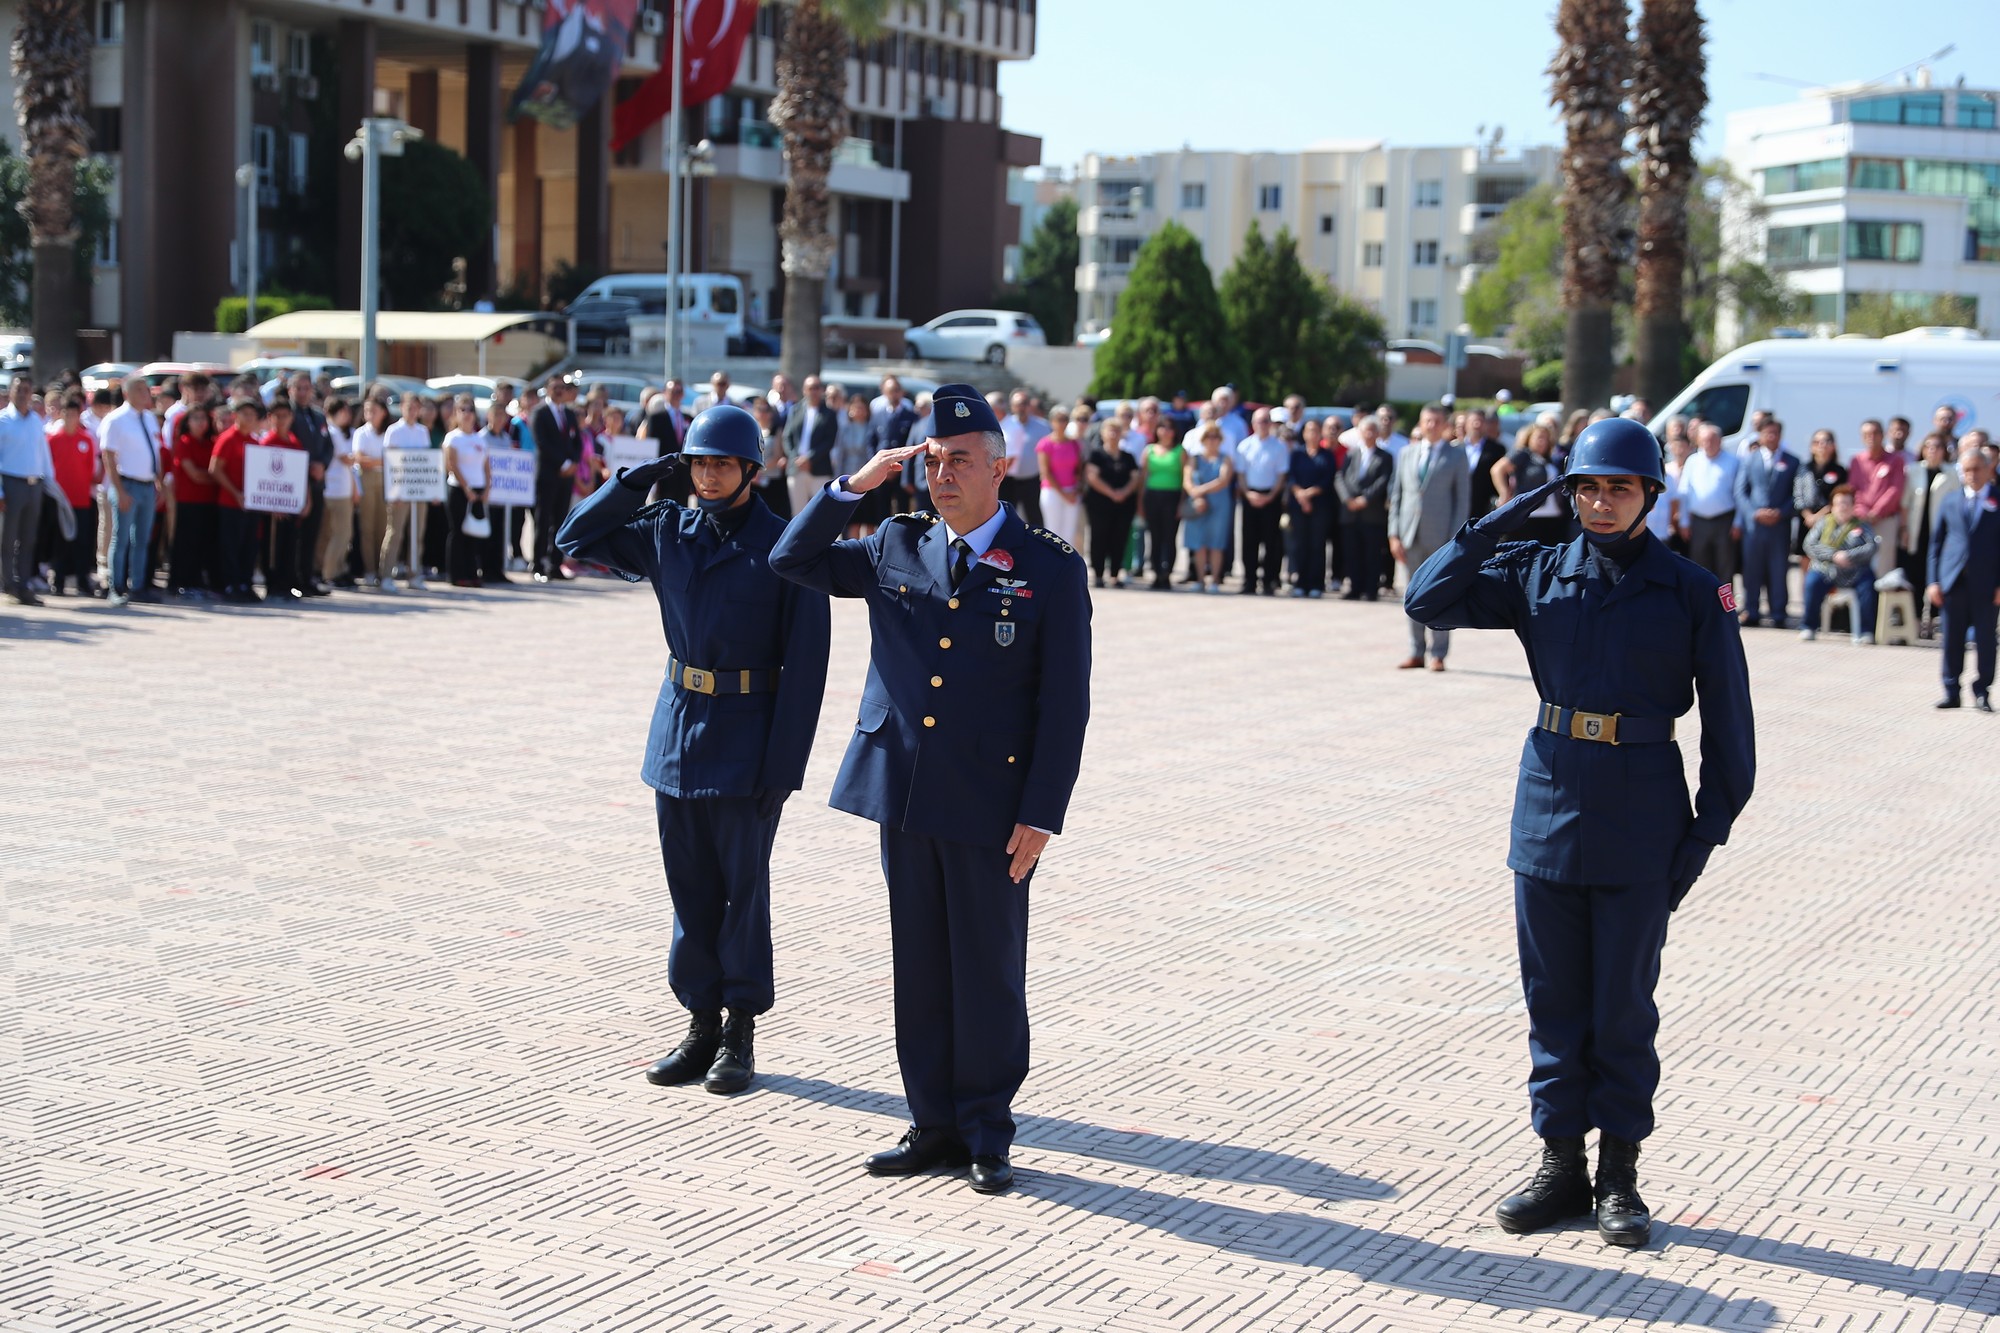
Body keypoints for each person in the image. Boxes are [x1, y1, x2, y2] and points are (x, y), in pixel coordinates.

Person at [1405, 417, 1755, 1250]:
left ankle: (1620, 1176)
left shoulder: (1693, 593)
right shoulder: (1536, 569)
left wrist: (1706, 834)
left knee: (1622, 1006)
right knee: (1553, 1000)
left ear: (1650, 497)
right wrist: (1507, 515)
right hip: (1549, 809)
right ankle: (1560, 1165)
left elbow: (1731, 729)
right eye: (1587, 488)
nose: (1601, 503)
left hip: (1643, 818)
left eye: (1618, 489)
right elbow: (1427, 596)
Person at [769, 383, 1090, 1196]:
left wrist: (1042, 812)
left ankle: (986, 1128)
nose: (944, 475)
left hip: (992, 803)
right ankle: (933, 1122)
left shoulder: (1048, 569)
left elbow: (1065, 704)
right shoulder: (894, 545)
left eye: (961, 461)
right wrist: (854, 486)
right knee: (919, 964)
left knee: (986, 967)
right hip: (904, 792)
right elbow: (791, 559)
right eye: (935, 461)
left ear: (1001, 466)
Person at [557, 405, 830, 1093]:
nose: (707, 475)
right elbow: (572, 537)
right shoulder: (666, 530)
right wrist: (638, 477)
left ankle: (739, 1030)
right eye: (698, 463)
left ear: (750, 469)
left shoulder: (784, 545)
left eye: (720, 463)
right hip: (678, 731)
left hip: (748, 736)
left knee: (743, 890)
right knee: (690, 888)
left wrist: (784, 766)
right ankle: (699, 1023)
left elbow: (809, 666)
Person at [1389, 403, 1469, 670]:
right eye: (1426, 421)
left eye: (1436, 421)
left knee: (1441, 595)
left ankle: (1438, 653)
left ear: (1445, 424)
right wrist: (1394, 535)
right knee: (1411, 595)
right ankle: (1416, 650)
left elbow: (1462, 500)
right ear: (1420, 424)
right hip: (1410, 534)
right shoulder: (1406, 453)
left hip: (1441, 537)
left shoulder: (1457, 456)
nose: (1431, 426)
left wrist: (1456, 539)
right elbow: (1397, 496)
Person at [1926, 445, 2000, 711]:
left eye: (1977, 469)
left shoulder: (1997, 499)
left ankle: (1982, 691)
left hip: (1987, 584)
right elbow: (1935, 546)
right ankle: (1951, 690)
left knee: (1985, 640)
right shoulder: (1950, 501)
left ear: (1988, 469)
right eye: (1967, 470)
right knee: (1952, 639)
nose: (1972, 475)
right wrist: (1933, 581)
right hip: (1953, 582)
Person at [100, 377, 164, 607]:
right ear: (127, 394)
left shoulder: (149, 418)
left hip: (147, 485)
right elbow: (108, 456)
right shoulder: (116, 420)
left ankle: (138, 586)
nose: (145, 393)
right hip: (127, 485)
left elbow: (156, 451)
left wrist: (159, 481)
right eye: (139, 389)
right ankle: (115, 587)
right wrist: (119, 490)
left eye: (146, 389)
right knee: (121, 538)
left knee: (142, 540)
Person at [1733, 418, 1800, 628]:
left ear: (1780, 436)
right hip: (1755, 527)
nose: (1771, 437)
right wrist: (1754, 513)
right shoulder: (1749, 460)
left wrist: (1781, 512)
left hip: (1779, 526)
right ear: (1760, 436)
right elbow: (1740, 491)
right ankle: (1751, 610)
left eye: (1775, 433)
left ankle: (1778, 612)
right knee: (1752, 570)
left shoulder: (1792, 461)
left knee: (1778, 569)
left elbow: (1796, 495)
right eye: (1767, 433)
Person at [1799, 486, 1880, 644]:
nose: (1842, 507)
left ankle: (1866, 631)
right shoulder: (1823, 523)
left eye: (1846, 503)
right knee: (1812, 582)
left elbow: (1872, 546)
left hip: (1855, 571)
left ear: (1852, 506)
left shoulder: (1862, 526)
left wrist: (1849, 555)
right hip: (1826, 570)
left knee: (1868, 585)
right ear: (1833, 506)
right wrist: (1833, 555)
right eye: (1839, 504)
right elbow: (1809, 544)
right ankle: (1808, 626)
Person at [0, 372, 53, 604]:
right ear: (11, 392)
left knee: (29, 538)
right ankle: (8, 583)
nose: (23, 395)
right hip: (11, 483)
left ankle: (24, 584)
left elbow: (43, 453)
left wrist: (49, 482)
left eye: (27, 391)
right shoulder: (3, 421)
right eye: (19, 390)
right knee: (8, 538)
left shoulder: (35, 421)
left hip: (34, 484)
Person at [44, 389, 100, 597]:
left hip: (82, 499)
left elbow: (92, 470)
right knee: (60, 542)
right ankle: (58, 582)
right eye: (67, 413)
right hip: (60, 500)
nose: (71, 418)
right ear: (62, 414)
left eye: (75, 414)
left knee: (83, 542)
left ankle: (82, 581)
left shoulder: (87, 439)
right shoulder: (52, 439)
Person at [207, 398, 263, 603]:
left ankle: (245, 584)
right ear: (235, 416)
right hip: (231, 502)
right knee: (230, 546)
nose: (248, 418)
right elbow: (215, 469)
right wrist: (235, 492)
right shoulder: (228, 439)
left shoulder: (256, 442)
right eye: (244, 413)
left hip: (252, 503)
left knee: (249, 545)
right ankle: (230, 585)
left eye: (252, 414)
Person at [166, 400, 221, 598]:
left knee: (204, 544)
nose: (200, 423)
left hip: (208, 501)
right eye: (196, 418)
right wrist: (214, 477)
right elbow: (194, 474)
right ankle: (180, 583)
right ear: (187, 422)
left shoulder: (211, 443)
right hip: (188, 501)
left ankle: (199, 582)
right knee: (185, 543)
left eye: (203, 418)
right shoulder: (184, 442)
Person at [531, 373, 583, 582]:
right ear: (548, 389)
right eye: (555, 387)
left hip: (566, 476)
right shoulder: (540, 413)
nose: (559, 391)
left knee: (561, 521)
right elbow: (542, 443)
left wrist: (573, 462)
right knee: (543, 520)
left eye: (562, 387)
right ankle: (538, 564)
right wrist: (562, 463)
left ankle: (555, 564)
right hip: (548, 474)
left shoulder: (569, 414)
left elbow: (577, 442)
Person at [1335, 414, 1393, 600]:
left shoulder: (1385, 457)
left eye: (1372, 430)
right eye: (1365, 430)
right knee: (1352, 552)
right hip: (1350, 513)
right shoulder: (1351, 454)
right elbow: (1340, 478)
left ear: (1377, 433)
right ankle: (1354, 587)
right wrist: (1348, 499)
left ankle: (1370, 589)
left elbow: (1383, 481)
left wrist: (1365, 499)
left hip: (1372, 513)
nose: (1368, 434)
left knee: (1372, 553)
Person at [1232, 408, 1289, 595]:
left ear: (1271, 423)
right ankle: (1249, 580)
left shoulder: (1279, 447)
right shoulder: (1244, 446)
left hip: (1270, 497)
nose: (1262, 425)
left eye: (1265, 421)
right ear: (1253, 424)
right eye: (1259, 421)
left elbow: (1281, 475)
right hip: (1250, 496)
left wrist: (1271, 495)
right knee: (1249, 541)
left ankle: (1269, 581)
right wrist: (1248, 494)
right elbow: (1240, 474)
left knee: (1271, 542)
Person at [1676, 423, 1740, 582]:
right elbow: (1685, 492)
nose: (1708, 444)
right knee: (1699, 565)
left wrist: (1738, 523)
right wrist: (1684, 521)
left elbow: (1739, 494)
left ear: (1720, 441)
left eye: (1712, 440)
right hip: (1698, 522)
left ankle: (1725, 606)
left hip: (1724, 520)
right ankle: (1701, 604)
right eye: (1704, 440)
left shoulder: (1732, 461)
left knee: (1725, 566)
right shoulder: (1693, 461)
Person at [1081, 417, 1139, 589]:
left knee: (1119, 538)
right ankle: (1098, 575)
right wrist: (1112, 493)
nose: (1113, 434)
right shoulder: (1096, 454)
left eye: (1117, 430)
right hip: (1100, 504)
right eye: (1110, 430)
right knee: (1099, 537)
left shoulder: (1128, 456)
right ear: (1103, 433)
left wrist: (1124, 492)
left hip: (1124, 505)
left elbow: (1135, 477)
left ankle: (1115, 574)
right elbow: (1092, 476)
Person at [443, 395, 493, 587]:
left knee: (474, 534)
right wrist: (466, 488)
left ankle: (473, 573)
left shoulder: (479, 438)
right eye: (462, 410)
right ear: (456, 413)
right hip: (459, 489)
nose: (467, 414)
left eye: (470, 410)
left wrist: (487, 487)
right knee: (458, 533)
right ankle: (457, 574)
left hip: (479, 489)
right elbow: (452, 464)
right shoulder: (453, 437)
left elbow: (486, 466)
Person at [1493, 420, 1569, 545]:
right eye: (1539, 437)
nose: (1542, 441)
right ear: (1529, 438)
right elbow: (1497, 470)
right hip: (1529, 514)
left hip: (1553, 514)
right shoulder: (1523, 455)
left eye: (1545, 438)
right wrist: (1504, 493)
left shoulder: (1549, 459)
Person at [1287, 418, 1339, 598]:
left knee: (1317, 545)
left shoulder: (1327, 455)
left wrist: (1310, 494)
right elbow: (1291, 477)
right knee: (1300, 544)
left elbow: (1328, 479)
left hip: (1320, 505)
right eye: (1309, 431)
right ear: (1304, 434)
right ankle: (1300, 583)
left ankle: (1317, 584)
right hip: (1298, 505)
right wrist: (1301, 494)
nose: (1313, 434)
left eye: (1316, 431)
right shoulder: (1297, 454)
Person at [1846, 419, 1906, 577]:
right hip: (1861, 520)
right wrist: (1862, 511)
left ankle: (1881, 601)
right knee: (1859, 562)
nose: (1871, 437)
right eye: (1866, 434)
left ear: (1883, 435)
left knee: (1884, 564)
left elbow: (1895, 490)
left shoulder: (1895, 460)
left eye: (1874, 433)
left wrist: (1876, 512)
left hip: (1886, 520)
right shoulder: (1856, 461)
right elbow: (1853, 490)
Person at [1181, 424, 1234, 593]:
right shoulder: (1194, 458)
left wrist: (1200, 491)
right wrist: (1196, 494)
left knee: (1216, 543)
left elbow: (1223, 480)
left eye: (1215, 437)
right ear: (1203, 440)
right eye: (1208, 437)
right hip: (1199, 505)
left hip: (1219, 504)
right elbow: (1187, 480)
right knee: (1198, 543)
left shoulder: (1225, 458)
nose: (1212, 441)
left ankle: (1215, 580)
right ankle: (1200, 579)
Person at [1903, 432, 1954, 599]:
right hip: (1916, 531)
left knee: (1937, 575)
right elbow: (1905, 503)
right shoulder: (1913, 470)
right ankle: (1917, 619)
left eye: (1937, 446)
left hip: (1941, 532)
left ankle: (1935, 618)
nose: (1933, 450)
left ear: (1944, 450)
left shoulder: (1952, 473)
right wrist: (1904, 528)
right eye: (1929, 446)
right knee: (1915, 574)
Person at [1139, 418, 1187, 590]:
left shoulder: (1180, 451)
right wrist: (1140, 503)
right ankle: (1156, 573)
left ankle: (1167, 574)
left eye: (1169, 428)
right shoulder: (1149, 450)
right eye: (1162, 427)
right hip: (1152, 496)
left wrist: (1182, 503)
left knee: (1169, 537)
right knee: (1155, 538)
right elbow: (1143, 478)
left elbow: (1184, 479)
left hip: (1172, 497)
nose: (1165, 431)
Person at [317, 397, 358, 589]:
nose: (348, 416)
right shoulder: (333, 432)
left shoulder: (334, 432)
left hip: (338, 488)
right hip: (336, 490)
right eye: (345, 411)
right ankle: (330, 571)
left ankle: (337, 569)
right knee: (341, 533)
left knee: (334, 533)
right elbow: (346, 459)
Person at [351, 397, 392, 589]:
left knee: (382, 527)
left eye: (374, 410)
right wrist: (380, 461)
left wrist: (376, 461)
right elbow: (359, 458)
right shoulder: (361, 433)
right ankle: (368, 570)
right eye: (367, 410)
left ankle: (381, 569)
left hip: (385, 480)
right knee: (367, 527)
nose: (370, 414)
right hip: (367, 478)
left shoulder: (388, 433)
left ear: (383, 412)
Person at [783, 375, 837, 518]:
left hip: (819, 470)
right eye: (810, 388)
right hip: (796, 469)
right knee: (798, 514)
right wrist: (795, 458)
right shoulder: (795, 410)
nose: (813, 391)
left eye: (816, 388)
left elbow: (829, 441)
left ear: (821, 390)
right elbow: (787, 437)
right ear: (804, 390)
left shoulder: (829, 414)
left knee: (821, 513)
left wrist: (809, 458)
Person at [833, 394, 886, 538]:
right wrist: (837, 479)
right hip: (849, 476)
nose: (858, 411)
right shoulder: (845, 429)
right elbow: (840, 455)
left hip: (869, 477)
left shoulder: (872, 428)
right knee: (853, 521)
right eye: (855, 407)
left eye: (862, 407)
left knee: (869, 520)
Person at [1792, 430, 1846, 567]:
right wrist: (1808, 516)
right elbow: (1798, 495)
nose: (1821, 445)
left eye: (1826, 441)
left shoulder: (1840, 470)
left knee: (1828, 558)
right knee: (1805, 558)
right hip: (1806, 521)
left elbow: (1838, 497)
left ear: (1833, 446)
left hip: (1829, 521)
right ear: (1811, 446)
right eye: (1816, 442)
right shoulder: (1803, 469)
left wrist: (1819, 516)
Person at [998, 389, 1050, 527]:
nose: (1021, 407)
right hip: (1008, 481)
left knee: (1035, 518)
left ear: (1030, 405)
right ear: (1012, 406)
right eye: (1018, 404)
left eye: (1025, 403)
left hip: (1032, 480)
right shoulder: (1004, 425)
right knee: (1006, 518)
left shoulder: (1042, 426)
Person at [1035, 406, 1083, 548]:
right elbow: (1045, 472)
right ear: (1052, 421)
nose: (1062, 423)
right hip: (1052, 492)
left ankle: (1068, 568)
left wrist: (1076, 489)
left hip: (1072, 491)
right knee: (1053, 532)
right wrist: (1064, 494)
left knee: (1069, 533)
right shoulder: (1045, 443)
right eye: (1059, 419)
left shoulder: (1074, 443)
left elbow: (1079, 469)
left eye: (1065, 419)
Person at [1463, 408, 1508, 519]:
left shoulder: (1496, 449)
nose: (1476, 425)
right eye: (1473, 421)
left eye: (1480, 421)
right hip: (1459, 504)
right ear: (1466, 424)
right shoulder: (1455, 448)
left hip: (1483, 506)